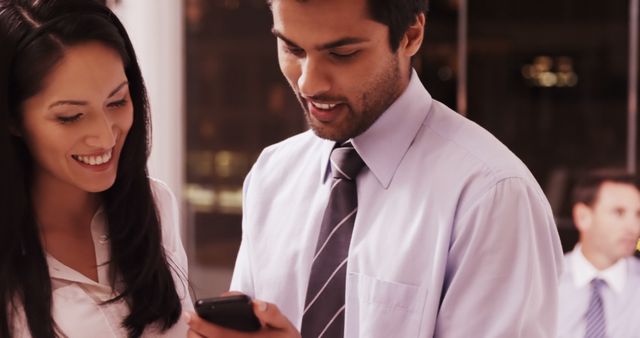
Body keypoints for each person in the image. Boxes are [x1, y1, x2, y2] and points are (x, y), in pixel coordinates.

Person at [186, 0, 564, 337]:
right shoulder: (273, 175)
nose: (308, 82)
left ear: (411, 35)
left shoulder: (491, 196)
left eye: (342, 53)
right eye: (292, 48)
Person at [0, 0, 193, 336]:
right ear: (13, 119)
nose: (105, 136)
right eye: (70, 116)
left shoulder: (155, 206)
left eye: (117, 101)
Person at [557, 169, 640, 337]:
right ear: (583, 217)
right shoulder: (547, 282)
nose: (633, 227)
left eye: (638, 215)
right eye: (619, 212)